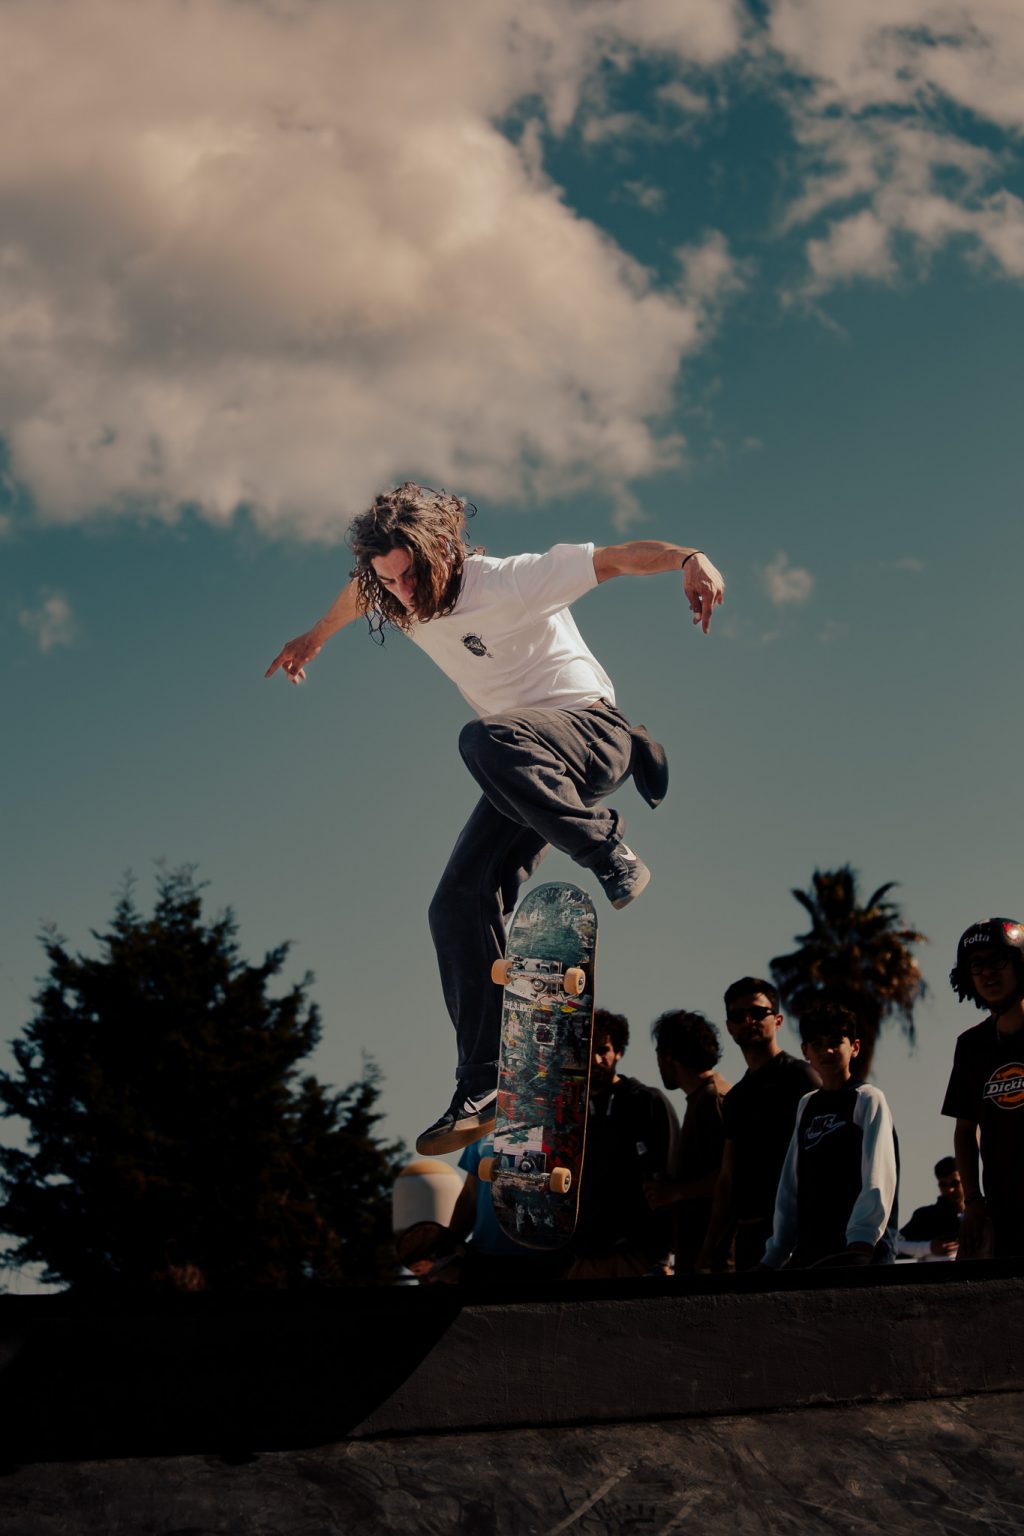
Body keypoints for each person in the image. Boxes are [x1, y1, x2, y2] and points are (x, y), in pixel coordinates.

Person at [266, 482, 725, 1156]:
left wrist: (689, 557)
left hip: (591, 735)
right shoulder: (392, 594)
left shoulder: (511, 580)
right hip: (528, 776)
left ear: (443, 551)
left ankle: (608, 848)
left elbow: (617, 558)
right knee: (455, 901)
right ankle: (485, 1080)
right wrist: (313, 638)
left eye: (411, 574)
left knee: (483, 739)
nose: (403, 593)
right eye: (390, 581)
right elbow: (356, 595)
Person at [761, 1003, 900, 1271]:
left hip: (861, 1252)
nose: (827, 1051)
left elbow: (878, 1176)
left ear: (855, 1047)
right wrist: (776, 1253)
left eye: (836, 1042)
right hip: (814, 1253)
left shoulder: (868, 1098)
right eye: (817, 1044)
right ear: (805, 1051)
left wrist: (862, 1240)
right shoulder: (807, 1105)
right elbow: (790, 1185)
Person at [696, 977, 819, 1272]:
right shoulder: (736, 1098)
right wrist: (709, 1247)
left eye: (757, 1012)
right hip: (751, 1238)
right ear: (729, 1027)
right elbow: (727, 1178)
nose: (748, 1021)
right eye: (738, 1015)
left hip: (799, 1234)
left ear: (777, 1020)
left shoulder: (802, 1078)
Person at [567, 1010, 679, 1279]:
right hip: (583, 1256)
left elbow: (671, 1178)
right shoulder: (567, 1111)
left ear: (618, 1052)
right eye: (587, 1050)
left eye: (603, 1050)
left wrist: (663, 1256)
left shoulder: (646, 1102)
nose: (595, 1059)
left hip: (638, 1256)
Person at [943, 918, 1024, 1259]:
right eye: (977, 965)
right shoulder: (970, 1046)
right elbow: (964, 1131)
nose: (988, 972)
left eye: (998, 961)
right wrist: (973, 1200)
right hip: (1002, 1216)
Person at [646, 1009, 732, 1273]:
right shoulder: (701, 1099)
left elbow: (731, 1178)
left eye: (658, 1053)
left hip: (713, 1261)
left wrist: (674, 1192)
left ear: (669, 1056)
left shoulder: (713, 1100)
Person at [897, 1156, 963, 1262]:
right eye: (943, 1185)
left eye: (955, 1183)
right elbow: (893, 1244)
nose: (950, 1189)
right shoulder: (926, 1216)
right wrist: (928, 1247)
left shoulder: (982, 1215)